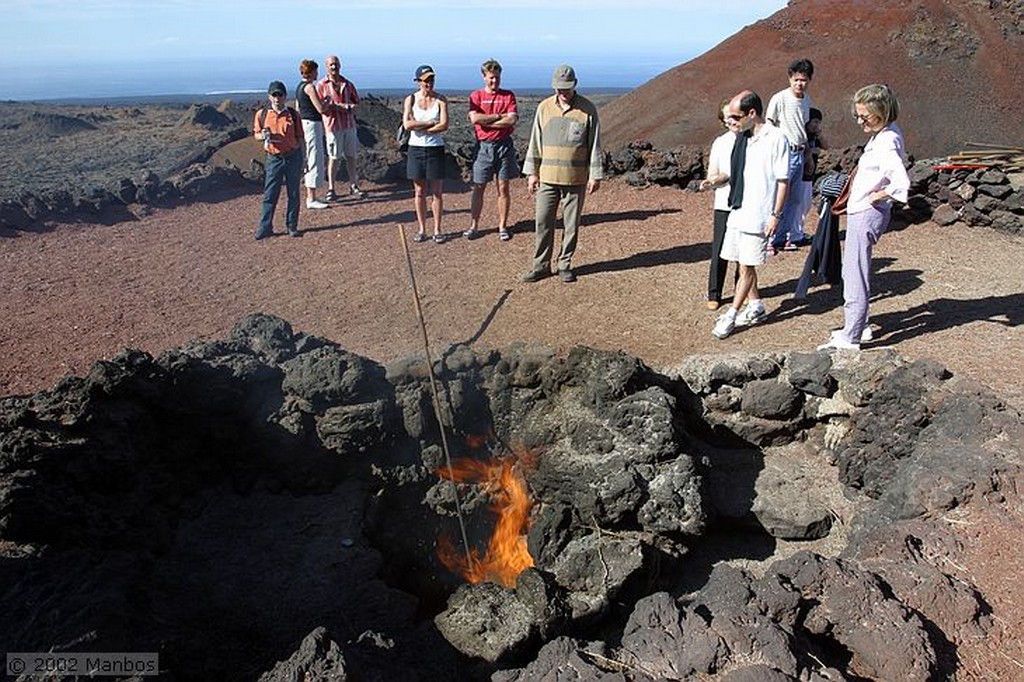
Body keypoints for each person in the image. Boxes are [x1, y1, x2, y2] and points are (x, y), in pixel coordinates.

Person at [818, 84, 909, 351]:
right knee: (855, 269)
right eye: (858, 115)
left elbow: (900, 182)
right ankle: (860, 325)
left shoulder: (887, 141)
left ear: (881, 111)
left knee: (854, 272)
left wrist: (877, 196)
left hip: (866, 214)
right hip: (863, 212)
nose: (860, 121)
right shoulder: (886, 134)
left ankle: (852, 335)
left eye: (865, 116)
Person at [712, 90, 790, 339]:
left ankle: (732, 315)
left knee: (746, 266)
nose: (732, 120)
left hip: (759, 213)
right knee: (740, 258)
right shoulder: (742, 139)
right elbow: (736, 174)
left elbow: (783, 180)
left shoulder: (776, 138)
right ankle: (756, 304)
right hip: (739, 209)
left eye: (736, 115)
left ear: (752, 113)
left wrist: (776, 215)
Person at [520, 65, 603, 283]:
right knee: (543, 222)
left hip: (575, 178)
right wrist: (532, 173)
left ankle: (564, 264)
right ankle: (541, 265)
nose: (562, 92)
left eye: (566, 88)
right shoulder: (544, 108)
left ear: (575, 84)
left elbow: (594, 144)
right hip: (547, 178)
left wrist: (595, 174)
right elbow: (535, 141)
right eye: (558, 88)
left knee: (571, 224)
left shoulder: (587, 109)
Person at [463, 58, 519, 242]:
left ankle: (502, 226)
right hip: (483, 147)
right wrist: (497, 117)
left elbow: (511, 120)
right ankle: (474, 225)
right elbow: (474, 119)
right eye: (491, 78)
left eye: (497, 77)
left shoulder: (508, 95)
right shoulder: (476, 96)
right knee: (478, 187)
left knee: (503, 187)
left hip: (504, 145)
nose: (494, 81)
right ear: (483, 77)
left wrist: (486, 121)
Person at [765, 58, 814, 253]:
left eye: (803, 80)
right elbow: (770, 123)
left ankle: (781, 238)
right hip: (784, 152)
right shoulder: (780, 98)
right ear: (789, 78)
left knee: (794, 199)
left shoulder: (807, 100)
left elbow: (804, 129)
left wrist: (808, 155)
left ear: (809, 80)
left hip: (800, 152)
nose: (799, 84)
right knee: (778, 196)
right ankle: (768, 238)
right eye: (796, 80)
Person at [698, 100, 740, 310]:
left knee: (743, 249)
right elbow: (714, 173)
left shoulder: (751, 140)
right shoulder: (720, 143)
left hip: (746, 203)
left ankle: (743, 290)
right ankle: (715, 293)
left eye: (734, 115)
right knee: (720, 248)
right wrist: (712, 181)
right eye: (727, 117)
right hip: (724, 201)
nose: (731, 120)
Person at [403, 65, 449, 244]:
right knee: (419, 191)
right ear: (418, 81)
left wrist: (420, 125)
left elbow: (444, 124)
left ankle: (437, 229)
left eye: (431, 80)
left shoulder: (441, 100)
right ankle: (422, 229)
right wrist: (430, 123)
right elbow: (407, 124)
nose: (429, 83)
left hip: (435, 148)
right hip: (415, 148)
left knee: (436, 192)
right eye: (426, 80)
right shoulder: (410, 99)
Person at [253, 80, 304, 240]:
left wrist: (304, 158)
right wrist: (263, 136)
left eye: (279, 94)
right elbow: (256, 134)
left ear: (284, 96)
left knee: (293, 193)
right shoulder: (262, 115)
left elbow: (301, 137)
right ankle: (265, 227)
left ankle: (292, 226)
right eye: (274, 95)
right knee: (270, 194)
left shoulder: (293, 115)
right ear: (269, 97)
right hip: (273, 158)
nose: (277, 98)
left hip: (292, 156)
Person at [316, 55, 366, 201]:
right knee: (334, 157)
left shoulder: (348, 84)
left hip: (349, 125)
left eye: (336, 64)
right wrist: (334, 107)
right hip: (332, 126)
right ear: (326, 66)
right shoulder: (321, 85)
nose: (334, 67)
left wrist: (343, 107)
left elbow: (357, 104)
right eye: (331, 64)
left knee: (351, 156)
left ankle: (353, 185)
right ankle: (331, 188)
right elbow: (320, 108)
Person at [295, 59, 329, 210]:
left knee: (311, 156)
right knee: (314, 157)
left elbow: (298, 108)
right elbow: (321, 109)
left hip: (304, 123)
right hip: (312, 124)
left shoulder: (299, 87)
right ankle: (311, 197)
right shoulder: (309, 88)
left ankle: (312, 195)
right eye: (315, 71)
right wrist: (327, 102)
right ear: (311, 72)